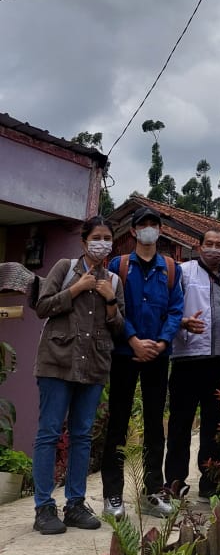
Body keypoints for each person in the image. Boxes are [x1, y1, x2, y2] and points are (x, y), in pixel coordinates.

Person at [31, 217, 124, 535]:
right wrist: (77, 289)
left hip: (93, 367)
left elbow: (119, 327)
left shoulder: (114, 278)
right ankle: (43, 507)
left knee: (82, 437)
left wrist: (110, 299)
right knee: (49, 434)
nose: (103, 243)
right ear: (84, 242)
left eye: (108, 238)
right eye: (96, 237)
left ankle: (74, 505)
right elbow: (42, 306)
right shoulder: (64, 267)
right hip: (57, 363)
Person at [101, 207, 183, 519]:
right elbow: (113, 307)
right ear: (133, 231)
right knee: (117, 424)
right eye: (143, 224)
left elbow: (176, 310)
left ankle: (152, 492)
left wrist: (161, 343)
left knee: (154, 426)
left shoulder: (171, 268)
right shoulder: (119, 265)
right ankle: (113, 495)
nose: (148, 229)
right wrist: (133, 339)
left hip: (157, 357)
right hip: (124, 354)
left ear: (160, 231)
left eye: (154, 224)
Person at [164, 229, 220, 500]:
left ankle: (211, 482)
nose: (214, 249)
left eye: (219, 245)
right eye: (209, 244)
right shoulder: (183, 273)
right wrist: (184, 323)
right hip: (187, 359)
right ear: (199, 247)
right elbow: (169, 308)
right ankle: (175, 482)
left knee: (215, 426)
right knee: (179, 425)